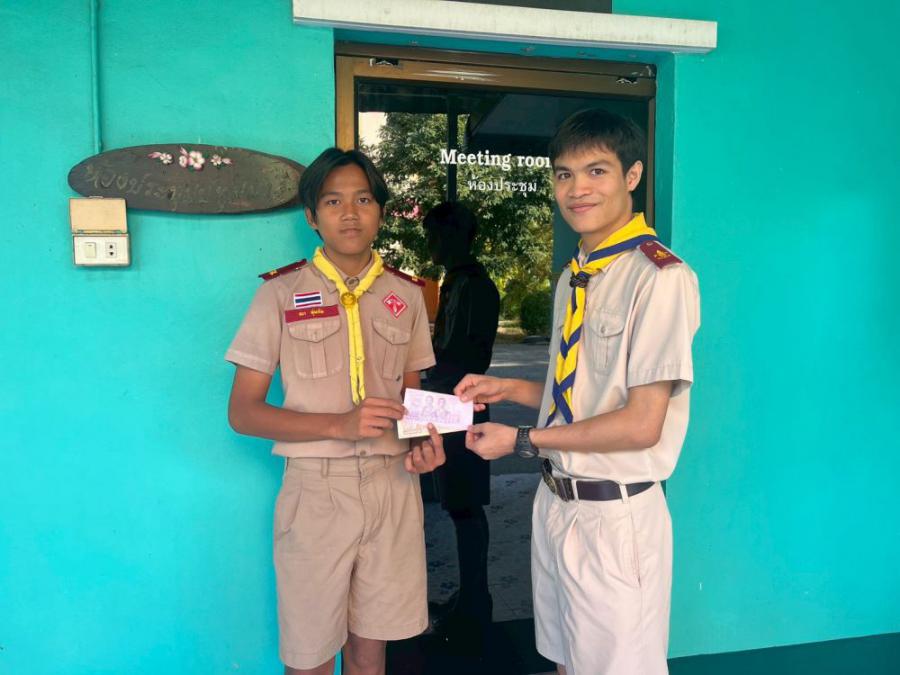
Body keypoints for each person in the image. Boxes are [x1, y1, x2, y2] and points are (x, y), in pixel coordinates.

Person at [455, 109, 701, 675]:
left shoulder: (659, 278)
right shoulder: (577, 274)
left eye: (596, 171)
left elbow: (642, 423)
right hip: (556, 505)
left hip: (615, 517)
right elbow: (584, 394)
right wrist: (509, 386)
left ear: (632, 176)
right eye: (564, 174)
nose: (577, 189)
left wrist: (522, 440)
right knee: (564, 661)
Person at [226, 147, 446, 675]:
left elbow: (412, 397)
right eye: (333, 201)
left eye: (363, 200)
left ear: (381, 212)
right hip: (316, 491)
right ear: (312, 216)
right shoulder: (279, 294)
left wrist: (424, 442)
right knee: (311, 656)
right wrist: (339, 425)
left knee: (371, 649)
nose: (350, 213)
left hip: (392, 485)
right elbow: (243, 412)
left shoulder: (408, 294)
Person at [422, 201, 500, 652]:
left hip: (462, 405)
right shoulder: (456, 282)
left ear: (453, 237)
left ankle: (476, 600)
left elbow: (466, 356)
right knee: (457, 505)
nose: (430, 243)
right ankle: (471, 597)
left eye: (434, 235)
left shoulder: (474, 286)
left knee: (466, 507)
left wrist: (426, 377)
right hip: (447, 403)